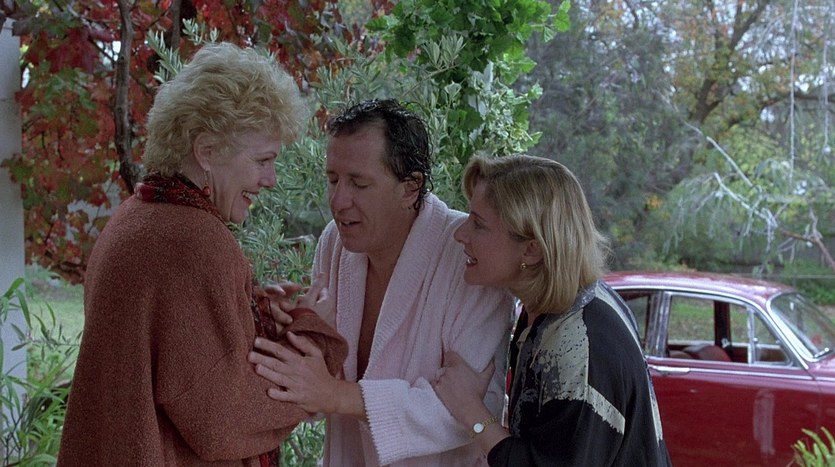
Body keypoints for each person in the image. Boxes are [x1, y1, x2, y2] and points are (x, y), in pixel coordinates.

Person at [57, 42, 348, 466]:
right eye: (262, 160)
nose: (270, 179)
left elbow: (182, 364)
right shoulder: (193, 243)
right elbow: (223, 420)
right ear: (206, 151)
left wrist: (251, 310)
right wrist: (310, 335)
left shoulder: (137, 217)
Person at [247, 99, 514, 466]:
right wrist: (292, 330)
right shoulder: (335, 243)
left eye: (359, 183)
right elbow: (317, 383)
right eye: (333, 180)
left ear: (410, 188)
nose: (338, 201)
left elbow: (468, 409)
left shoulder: (467, 256)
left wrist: (338, 395)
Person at [432, 155, 672, 466]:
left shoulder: (577, 345)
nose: (460, 234)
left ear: (531, 250)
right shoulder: (566, 306)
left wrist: (471, 411)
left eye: (478, 224)